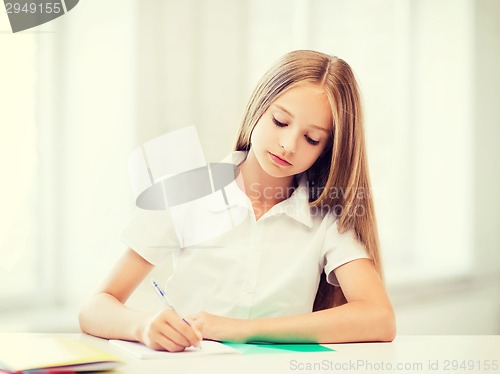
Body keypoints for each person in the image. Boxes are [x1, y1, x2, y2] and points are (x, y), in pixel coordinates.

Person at [78, 50, 396, 352]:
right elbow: (96, 307)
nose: (287, 145)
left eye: (311, 139)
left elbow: (379, 319)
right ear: (259, 107)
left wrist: (238, 329)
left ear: (327, 149)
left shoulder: (325, 216)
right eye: (280, 122)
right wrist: (143, 326)